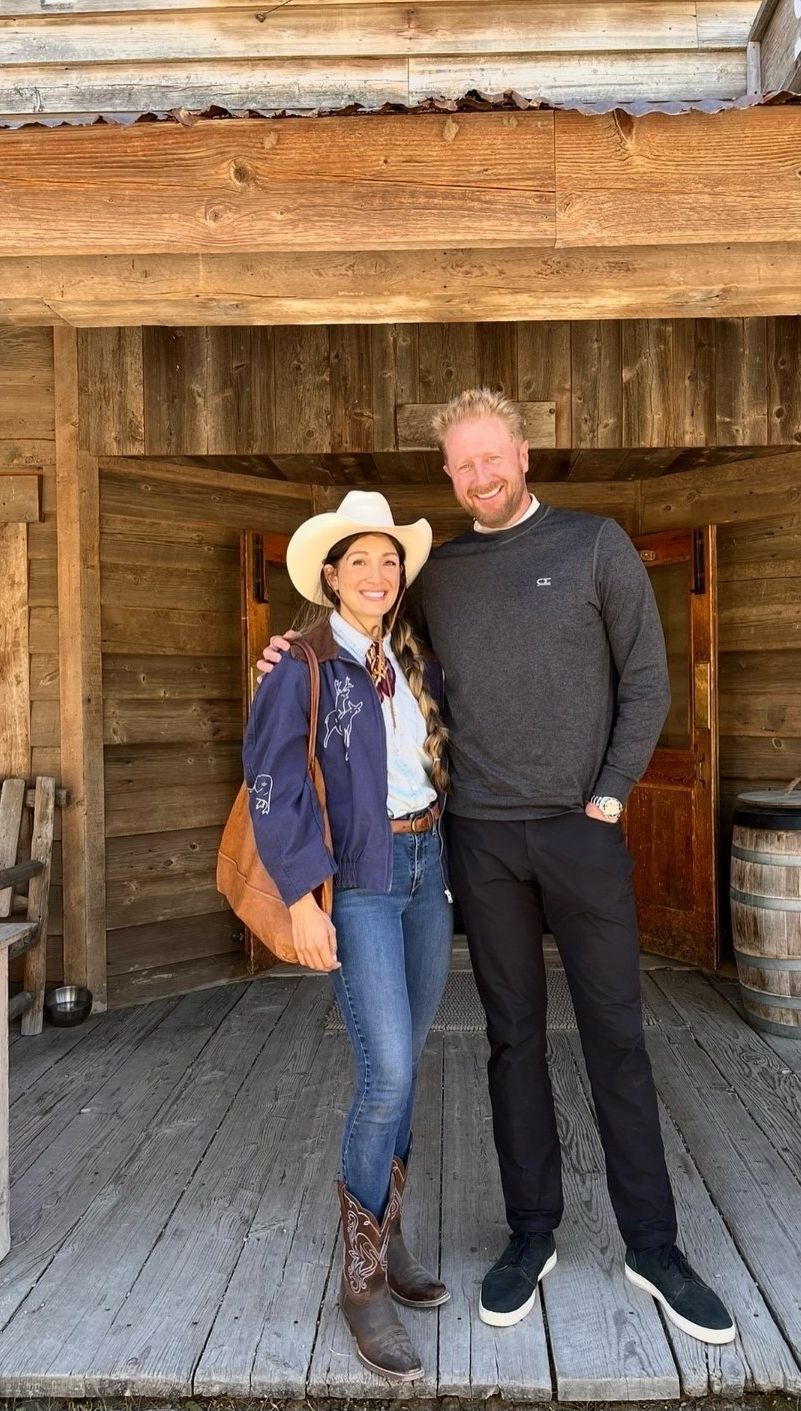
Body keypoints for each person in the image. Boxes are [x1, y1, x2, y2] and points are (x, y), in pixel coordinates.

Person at [261, 389, 735, 1348]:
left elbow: (648, 677)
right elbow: (362, 640)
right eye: (462, 465)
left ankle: (653, 1244)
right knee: (511, 1037)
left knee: (617, 1034)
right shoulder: (442, 578)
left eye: (493, 457)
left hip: (580, 831)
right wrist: (289, 644)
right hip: (476, 838)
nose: (480, 476)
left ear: (524, 452)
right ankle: (531, 1232)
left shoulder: (597, 546)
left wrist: (608, 793)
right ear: (449, 476)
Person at [243, 490, 454, 1384]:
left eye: (389, 560)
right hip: (359, 885)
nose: (378, 573)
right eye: (359, 559)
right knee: (387, 1074)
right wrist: (299, 896)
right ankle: (360, 1280)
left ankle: (389, 1232)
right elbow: (270, 780)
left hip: (426, 872)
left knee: (405, 1063)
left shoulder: (410, 657)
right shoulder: (300, 662)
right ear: (329, 574)